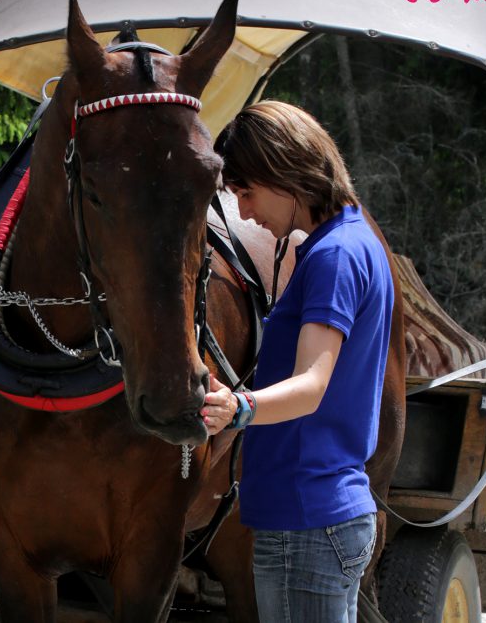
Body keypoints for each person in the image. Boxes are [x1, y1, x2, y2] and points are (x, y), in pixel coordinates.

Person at [201, 101, 394, 623]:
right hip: (319, 518)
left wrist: (235, 408)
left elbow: (312, 385)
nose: (243, 212)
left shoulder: (334, 256)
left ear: (283, 170)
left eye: (247, 192)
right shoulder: (351, 243)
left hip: (305, 523)